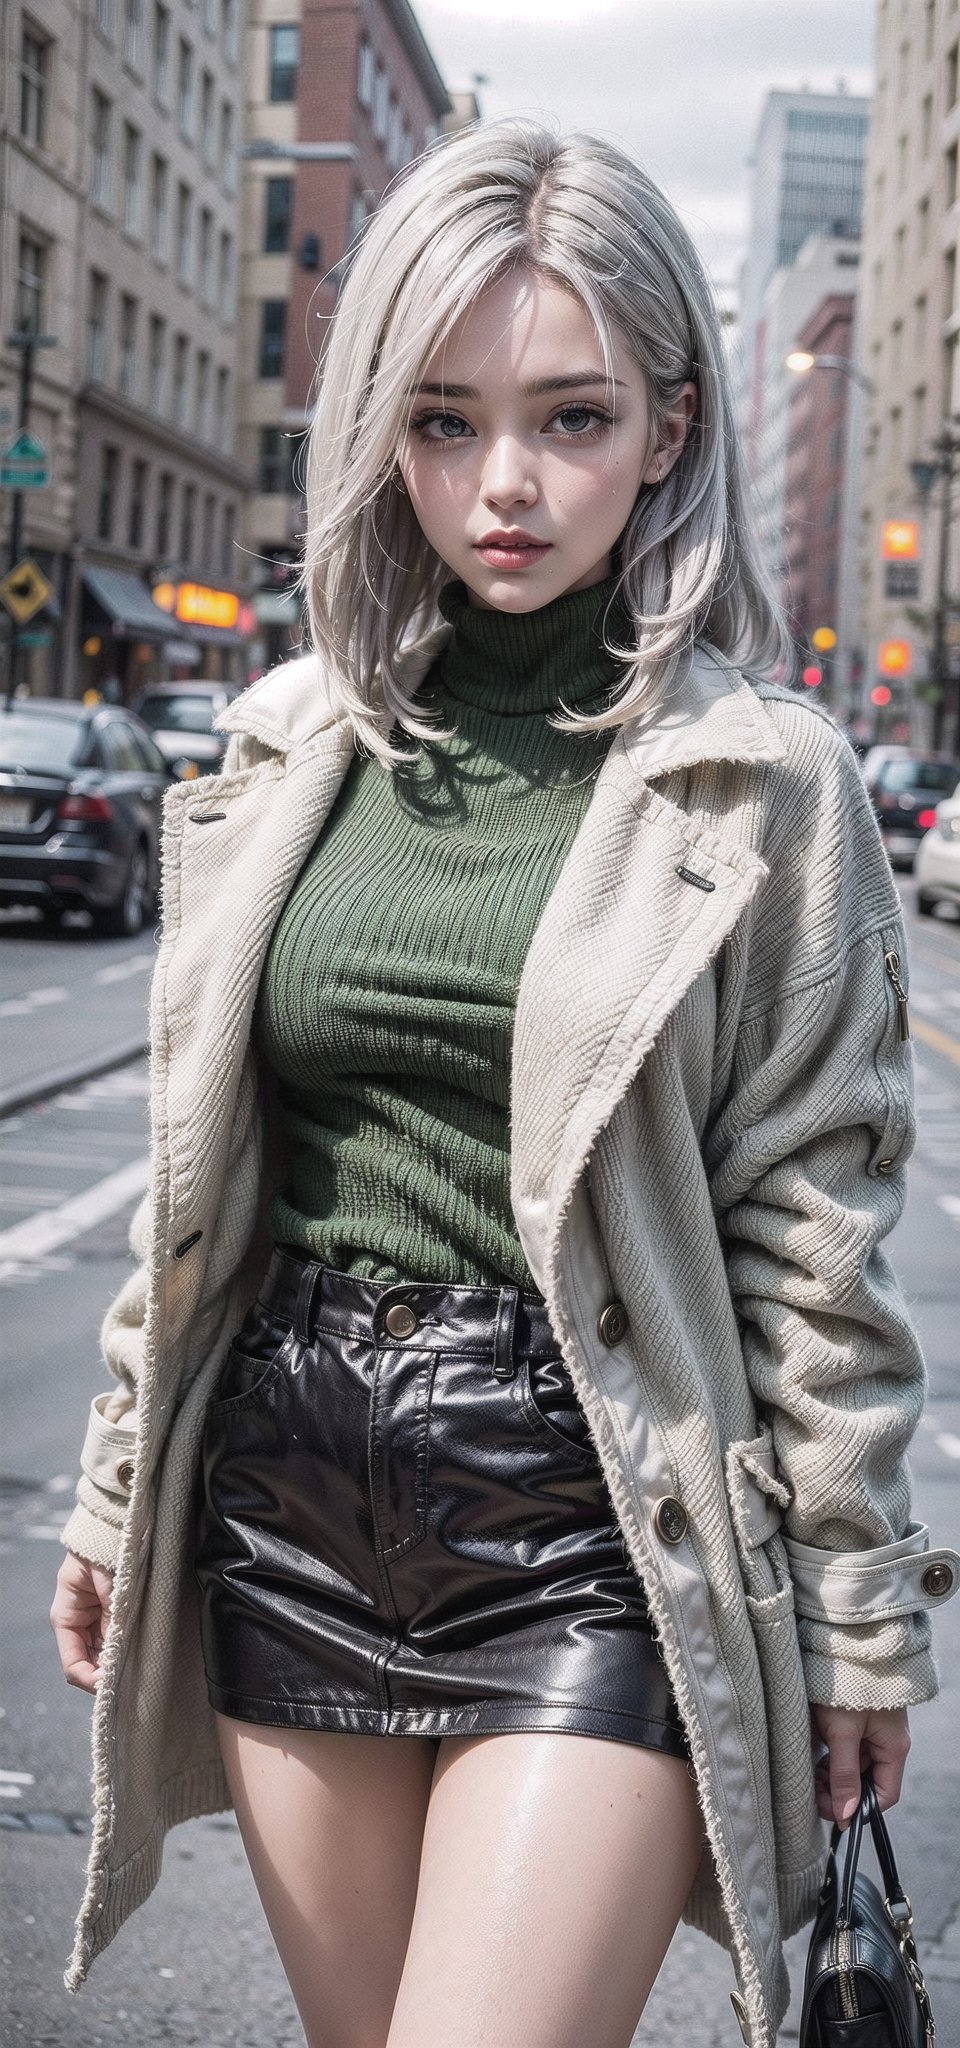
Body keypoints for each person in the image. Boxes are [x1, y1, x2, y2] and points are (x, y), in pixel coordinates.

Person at [50, 121, 957, 2048]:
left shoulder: (763, 778)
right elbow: (201, 1164)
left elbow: (814, 1231)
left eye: (571, 416)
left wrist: (862, 1601)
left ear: (673, 424)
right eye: (444, 422)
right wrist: (124, 1478)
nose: (507, 486)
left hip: (595, 1511)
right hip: (286, 1494)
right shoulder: (293, 741)